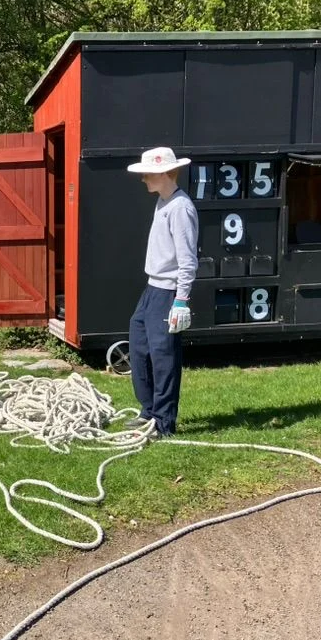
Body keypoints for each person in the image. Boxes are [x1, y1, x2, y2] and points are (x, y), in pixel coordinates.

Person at [124, 147, 199, 438]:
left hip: (168, 292)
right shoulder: (164, 201)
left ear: (167, 173)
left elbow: (187, 260)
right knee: (140, 347)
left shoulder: (180, 208)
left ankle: (164, 422)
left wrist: (181, 300)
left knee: (163, 356)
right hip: (152, 288)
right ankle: (149, 412)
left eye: (149, 174)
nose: (144, 179)